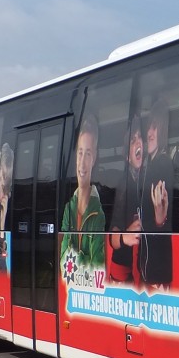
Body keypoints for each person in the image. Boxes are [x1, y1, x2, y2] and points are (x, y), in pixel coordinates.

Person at [60, 114, 106, 268]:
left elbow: (97, 268)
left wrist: (75, 260)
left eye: (87, 154)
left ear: (94, 158)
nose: (82, 163)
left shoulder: (98, 215)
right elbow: (62, 262)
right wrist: (84, 258)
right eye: (80, 153)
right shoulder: (68, 209)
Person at [138, 99, 173, 288]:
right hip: (156, 263)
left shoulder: (160, 165)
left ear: (163, 131)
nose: (149, 133)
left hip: (156, 264)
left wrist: (160, 220)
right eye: (148, 128)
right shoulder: (153, 165)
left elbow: (160, 217)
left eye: (155, 127)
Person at [107, 115, 144, 283]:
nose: (138, 143)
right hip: (121, 271)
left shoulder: (143, 179)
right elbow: (112, 237)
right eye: (132, 140)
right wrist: (125, 236)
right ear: (127, 157)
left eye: (140, 138)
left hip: (136, 267)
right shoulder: (124, 184)